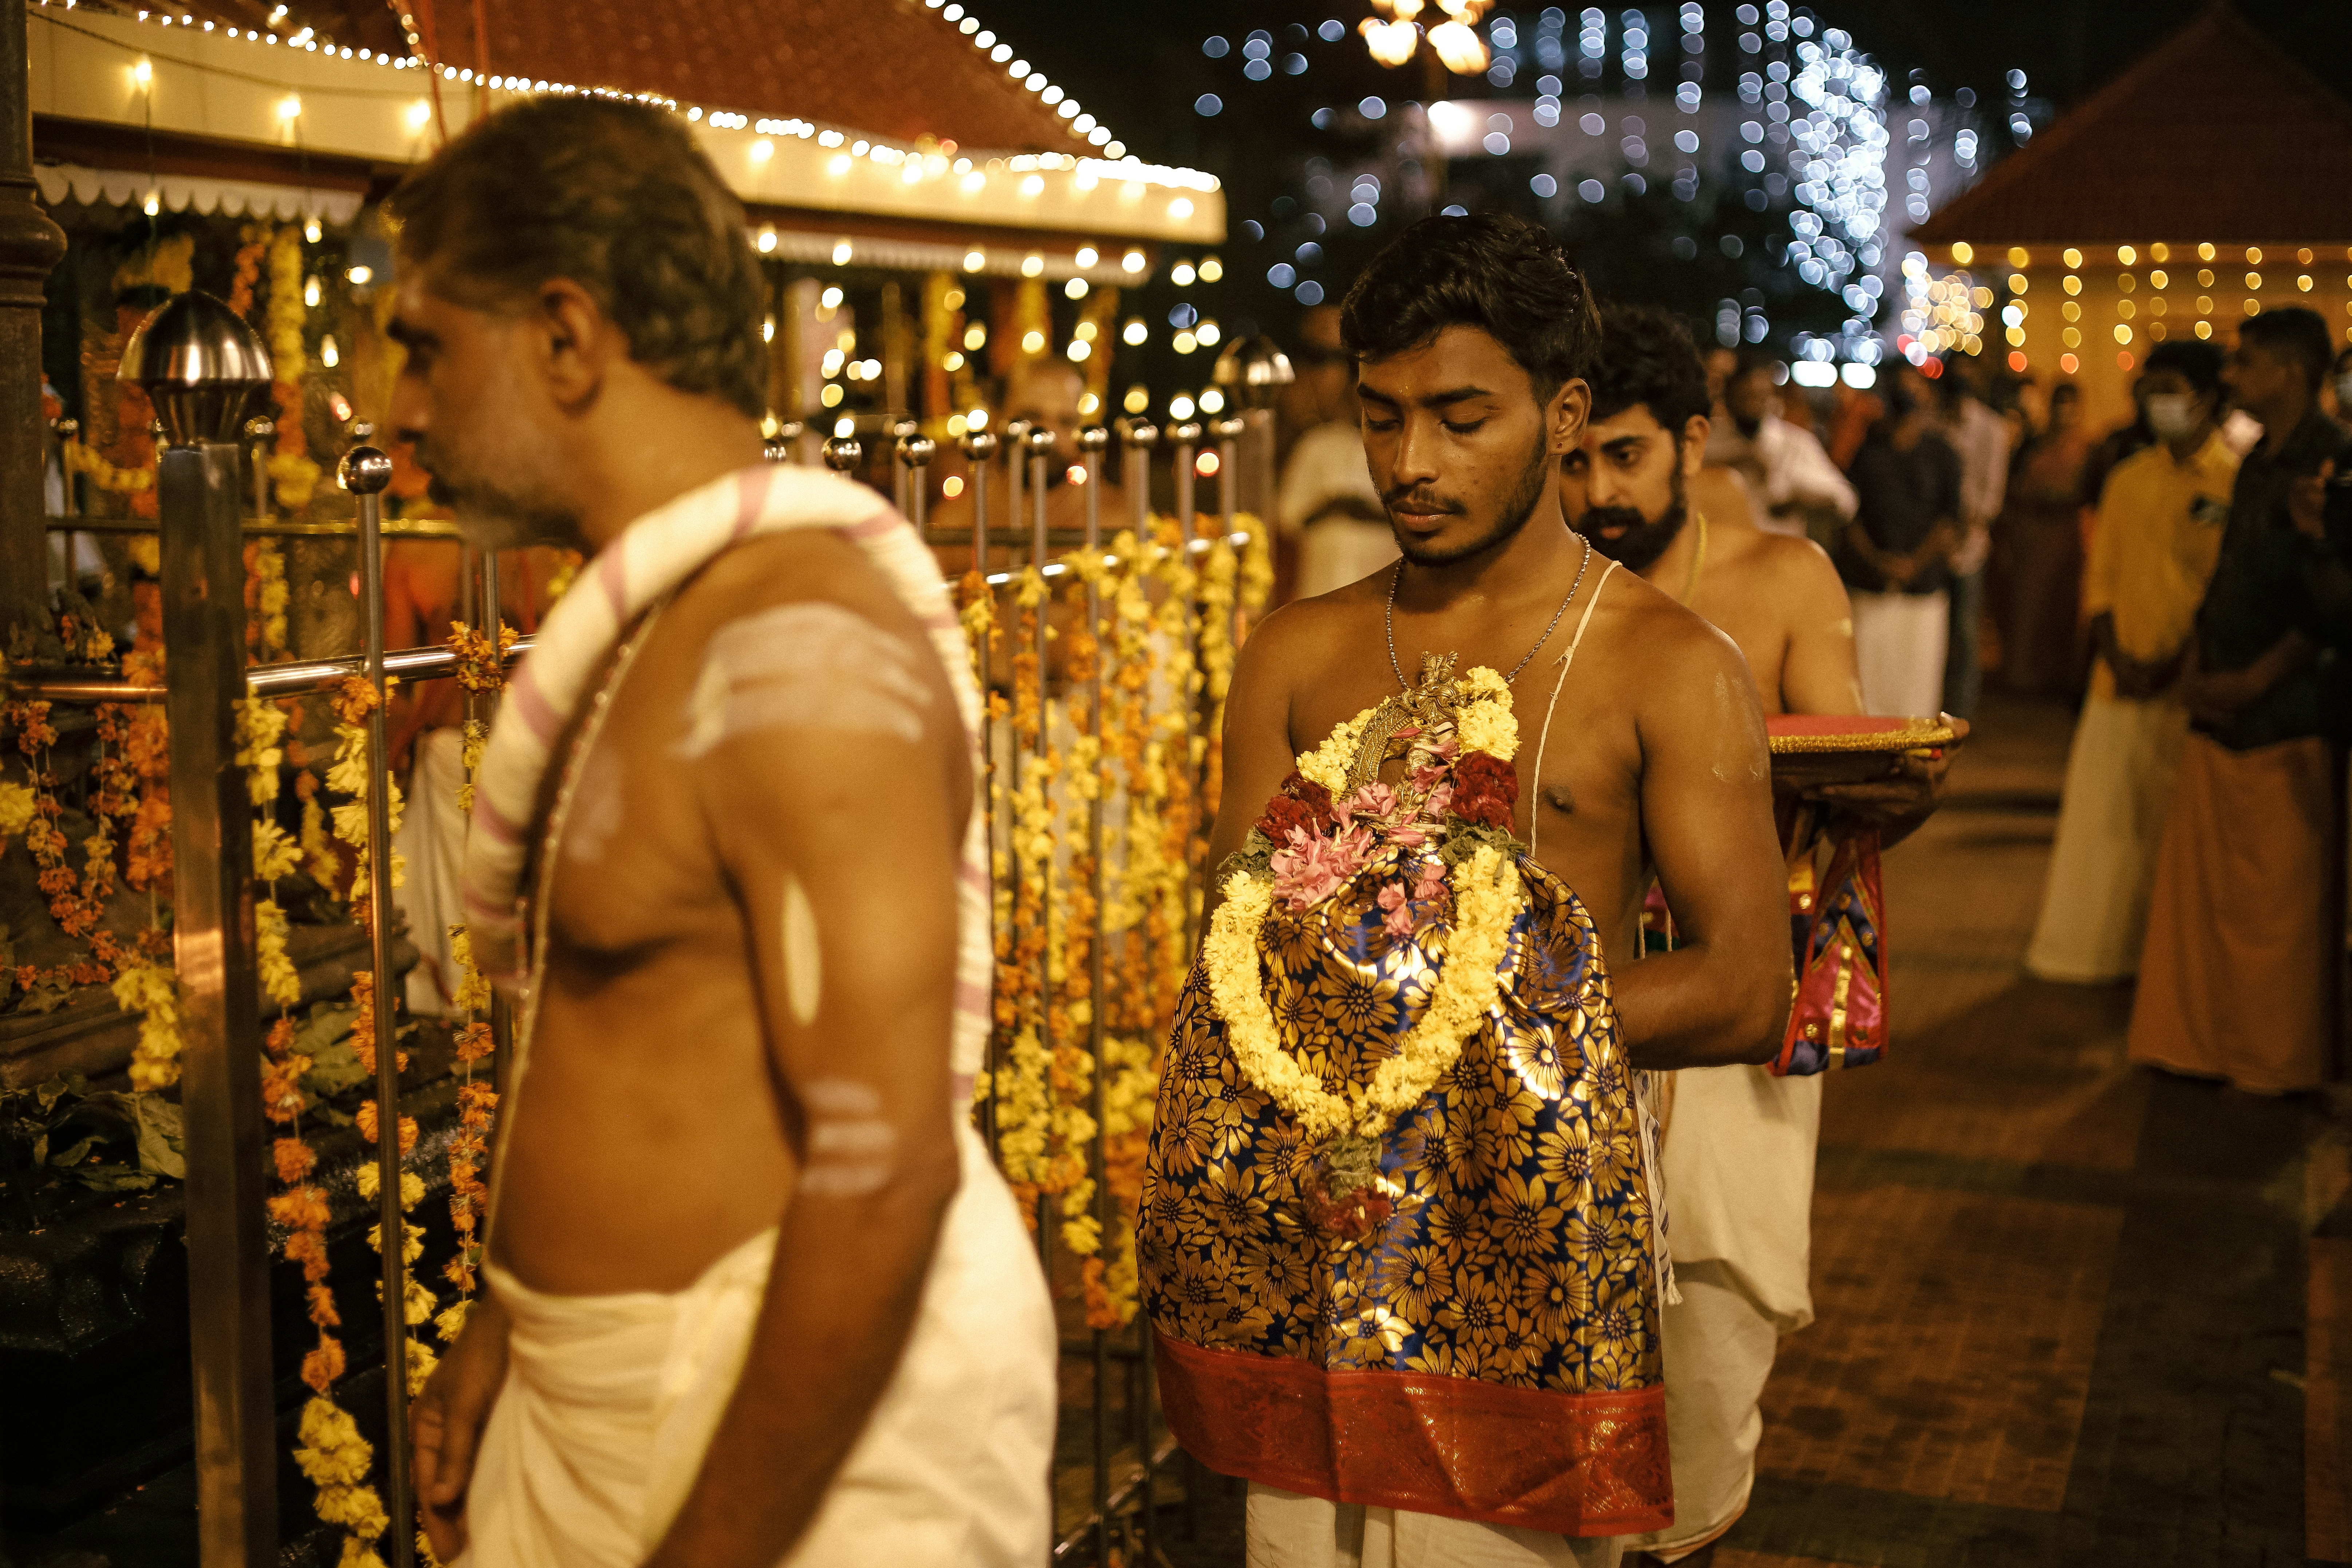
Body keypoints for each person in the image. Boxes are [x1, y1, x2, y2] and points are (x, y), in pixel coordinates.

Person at [386, 98, 1056, 1567]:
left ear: (567, 335)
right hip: (596, 1400)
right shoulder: (660, 629)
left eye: (426, 343)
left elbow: (880, 1168)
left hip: (769, 1445)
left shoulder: (793, 642)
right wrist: (516, 1311)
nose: (399, 409)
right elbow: (646, 1024)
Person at [1141, 214, 1793, 1568]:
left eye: (1459, 417)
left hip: (1531, 1227)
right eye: (1382, 418)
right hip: (1318, 1233)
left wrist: (1468, 1020)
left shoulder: (1669, 661)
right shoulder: (1299, 651)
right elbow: (1233, 954)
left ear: (1563, 417)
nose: (1410, 463)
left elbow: (1744, 981)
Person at [1560, 305, 1943, 1568]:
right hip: (1571, 999)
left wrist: (1887, 780)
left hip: (1733, 993)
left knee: (1712, 1327)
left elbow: (1844, 756)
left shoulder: (1779, 578)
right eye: (1572, 460)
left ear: (1686, 440)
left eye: (1622, 456)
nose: (1595, 491)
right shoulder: (1536, 588)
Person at [2130, 307, 2352, 1094]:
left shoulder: (2333, 461)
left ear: (2291, 372)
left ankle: (2271, 1062)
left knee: (2277, 911)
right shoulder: (2257, 460)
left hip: (2285, 712)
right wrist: (2200, 664)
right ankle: (2202, 1045)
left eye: (2245, 363)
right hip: (2220, 699)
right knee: (2209, 899)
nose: (2229, 378)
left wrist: (2251, 681)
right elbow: (2230, 577)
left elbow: (2330, 610)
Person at [2024, 341, 2237, 984]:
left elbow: (2224, 590)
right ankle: (2095, 956)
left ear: (2206, 396)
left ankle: (2170, 963)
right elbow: (2102, 583)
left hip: (2186, 685)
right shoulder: (2125, 477)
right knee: (2106, 831)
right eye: (2148, 389)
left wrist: (2176, 663)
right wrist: (2117, 656)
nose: (2155, 402)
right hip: (2115, 683)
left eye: (2168, 387)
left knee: (2175, 836)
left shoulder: (2232, 482)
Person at [1834, 363, 1963, 716]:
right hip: (1871, 585)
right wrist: (1879, 561)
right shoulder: (1867, 451)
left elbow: (1949, 520)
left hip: (1923, 588)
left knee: (1918, 685)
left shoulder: (1942, 453)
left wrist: (1914, 564)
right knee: (1871, 682)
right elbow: (1850, 515)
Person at [1277, 304, 1395, 599]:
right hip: (1322, 578)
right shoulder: (1319, 443)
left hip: (1383, 577)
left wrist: (1364, 510)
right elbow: (1287, 516)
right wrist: (1334, 506)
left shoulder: (1398, 443)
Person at [1996, 381, 2095, 695]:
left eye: (2071, 405)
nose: (2065, 413)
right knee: (2029, 606)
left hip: (2068, 534)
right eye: (2060, 405)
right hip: (2034, 534)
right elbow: (2013, 489)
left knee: (2063, 606)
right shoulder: (2034, 445)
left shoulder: (2087, 449)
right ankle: (2023, 675)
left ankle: (2059, 675)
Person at [1707, 352, 1858, 545]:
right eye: (1744, 397)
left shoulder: (1795, 444)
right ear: (1728, 397)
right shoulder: (1710, 443)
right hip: (1720, 557)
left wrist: (1797, 500)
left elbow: (1845, 502)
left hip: (1778, 557)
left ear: (1771, 396)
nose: (1752, 405)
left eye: (1759, 397)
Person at [1935, 355, 2013, 722]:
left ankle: (1961, 711)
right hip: (1932, 543)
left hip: (1969, 544)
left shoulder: (1992, 429)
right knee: (1932, 627)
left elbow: (1990, 494)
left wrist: (1962, 528)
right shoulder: (1934, 423)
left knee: (1966, 630)